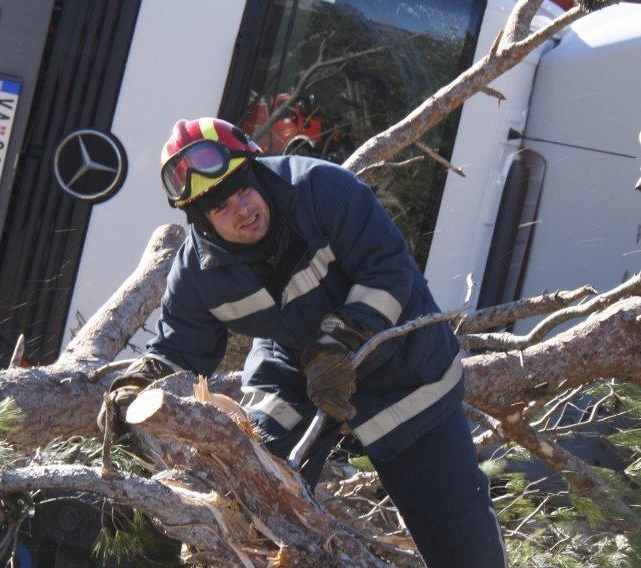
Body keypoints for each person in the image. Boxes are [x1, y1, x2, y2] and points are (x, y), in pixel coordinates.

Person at [108, 117, 506, 567]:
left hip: (407, 374)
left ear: (256, 171)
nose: (242, 210)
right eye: (222, 208)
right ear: (200, 221)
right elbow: (180, 351)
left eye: (243, 190)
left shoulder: (323, 190)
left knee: (461, 543)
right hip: (292, 371)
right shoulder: (197, 275)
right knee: (252, 497)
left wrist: (340, 344)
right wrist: (139, 387)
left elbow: (388, 271)